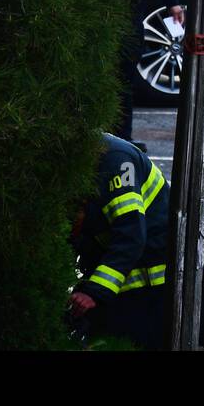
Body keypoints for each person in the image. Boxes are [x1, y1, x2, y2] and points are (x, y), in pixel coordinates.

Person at [68, 134, 170, 349]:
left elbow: (131, 236)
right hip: (123, 268)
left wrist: (94, 292)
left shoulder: (115, 161)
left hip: (155, 274)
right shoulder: (76, 163)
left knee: (123, 340)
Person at [120, 0, 183, 142]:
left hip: (128, 11)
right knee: (119, 81)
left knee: (124, 80)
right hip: (108, 10)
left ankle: (122, 138)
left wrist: (172, 3)